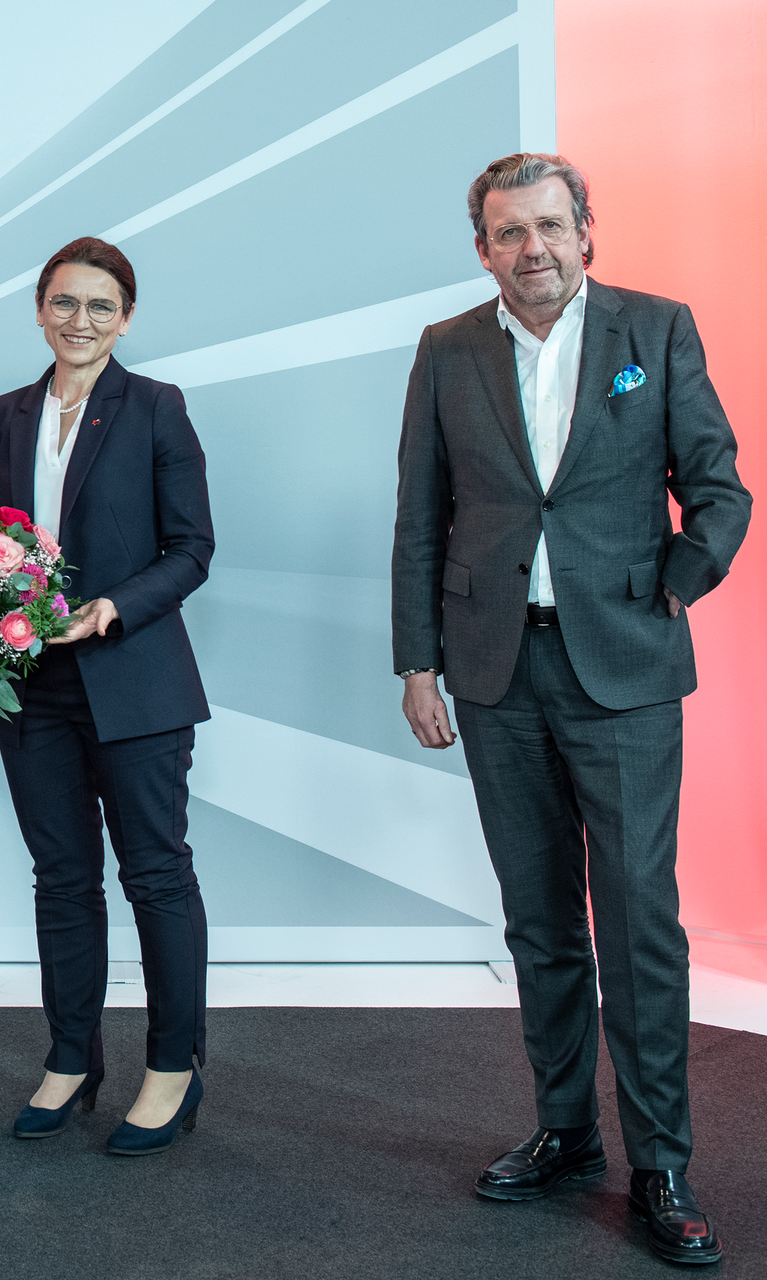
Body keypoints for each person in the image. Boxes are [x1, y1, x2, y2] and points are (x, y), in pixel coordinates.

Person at [393, 153, 749, 1266]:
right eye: (508, 233)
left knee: (639, 922)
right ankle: (564, 1130)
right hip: (496, 671)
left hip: (626, 673)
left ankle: (664, 1163)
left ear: (586, 232)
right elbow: (421, 514)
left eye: (550, 226)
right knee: (539, 919)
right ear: (483, 248)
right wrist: (416, 664)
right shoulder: (448, 350)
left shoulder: (657, 329)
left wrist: (673, 584)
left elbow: (720, 485)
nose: (531, 248)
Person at [0, 236, 214, 1155]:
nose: (81, 322)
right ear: (39, 310)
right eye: (65, 304)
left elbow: (192, 548)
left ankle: (172, 1070)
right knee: (62, 879)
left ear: (127, 318)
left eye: (100, 307)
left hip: (135, 681)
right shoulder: (2, 416)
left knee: (155, 875)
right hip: (31, 686)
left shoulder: (156, 408)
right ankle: (72, 1060)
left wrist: (112, 608)